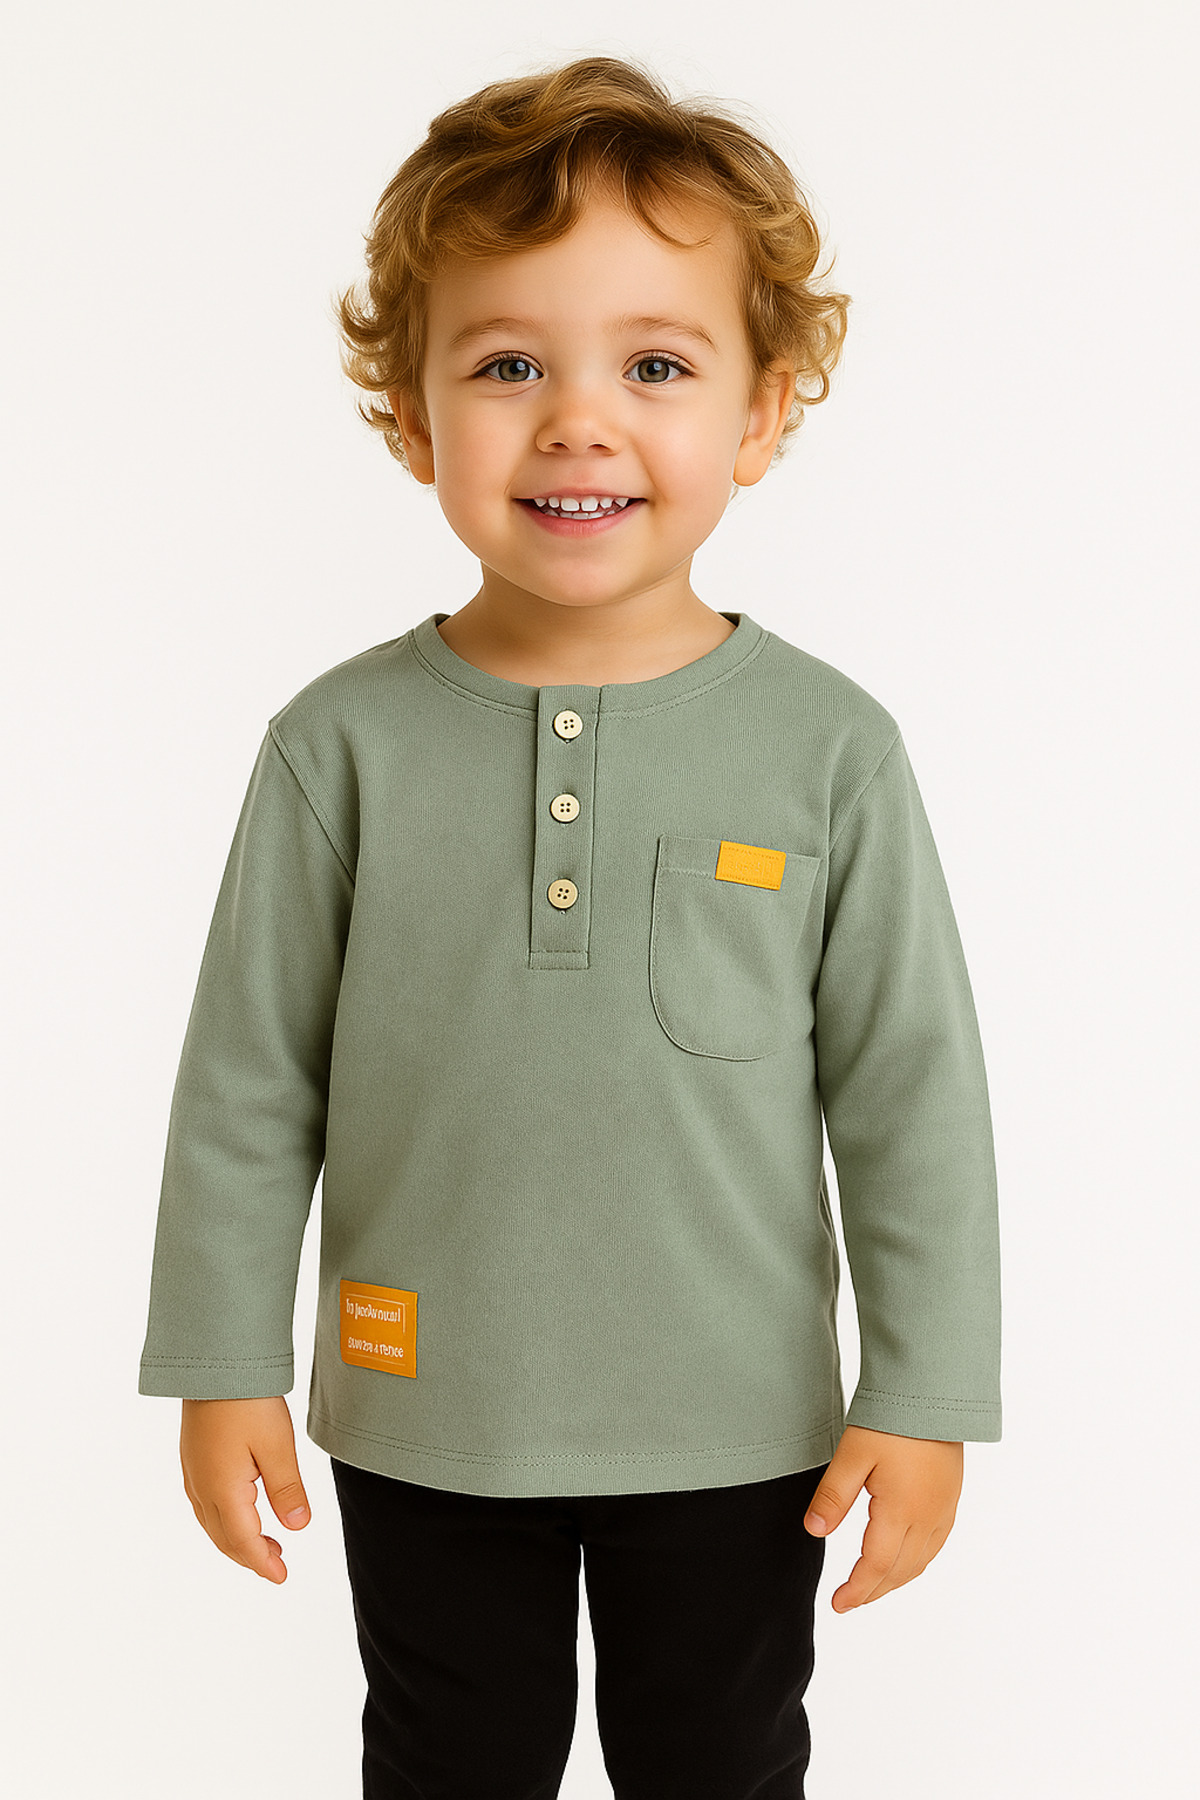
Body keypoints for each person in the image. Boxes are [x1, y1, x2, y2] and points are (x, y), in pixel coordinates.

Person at [138, 53, 1002, 1800]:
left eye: (656, 366)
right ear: (411, 416)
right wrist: (222, 1365)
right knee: (445, 1764)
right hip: (424, 1408)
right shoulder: (339, 746)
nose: (579, 421)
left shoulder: (831, 750)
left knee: (722, 1766)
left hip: (739, 1426)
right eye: (508, 365)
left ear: (761, 414)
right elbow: (246, 1084)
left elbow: (912, 1097)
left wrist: (925, 1389)